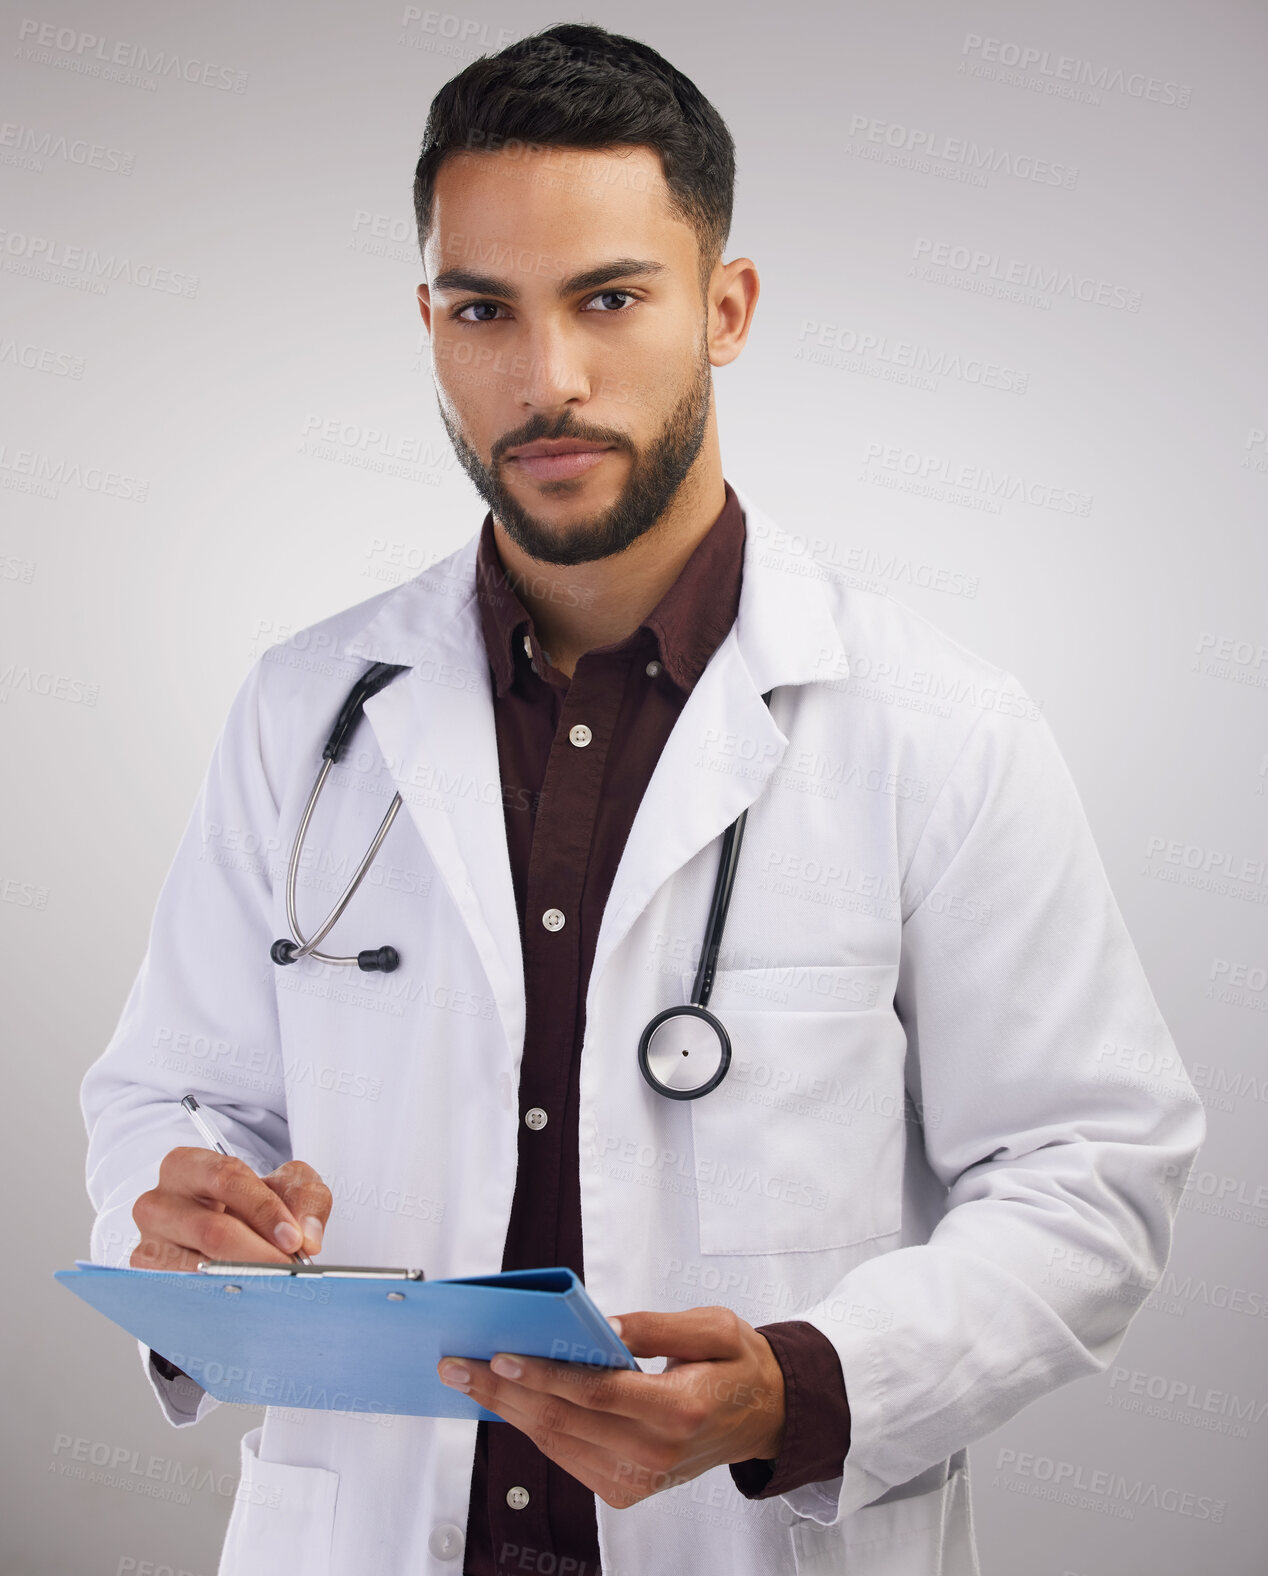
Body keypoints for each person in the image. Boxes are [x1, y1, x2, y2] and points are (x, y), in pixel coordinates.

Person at [79, 22, 1206, 1576]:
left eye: (609, 298)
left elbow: (1094, 1172)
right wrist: (182, 1216)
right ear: (429, 324)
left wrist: (804, 1391)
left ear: (725, 308)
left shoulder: (937, 730)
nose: (546, 379)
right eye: (484, 309)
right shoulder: (306, 711)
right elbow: (170, 1096)